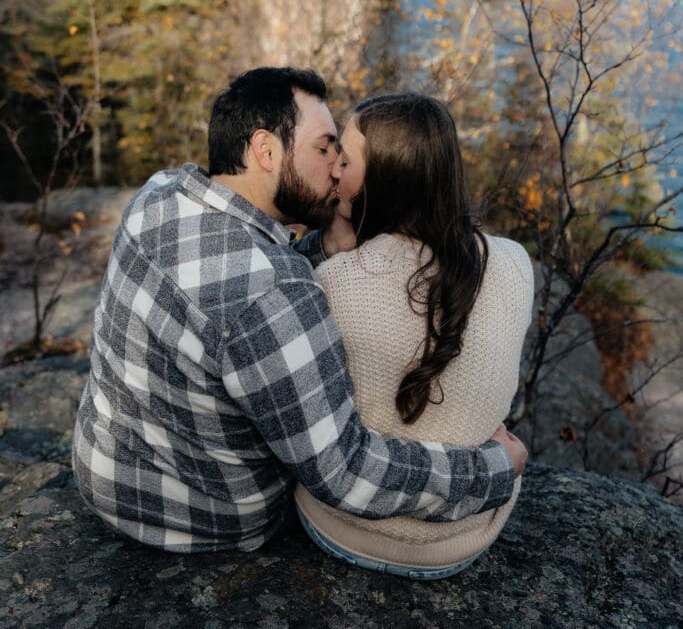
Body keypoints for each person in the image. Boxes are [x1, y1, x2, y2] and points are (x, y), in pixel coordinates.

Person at [72, 67, 527, 553]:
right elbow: (344, 472)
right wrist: (492, 468)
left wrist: (319, 248)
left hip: (104, 471)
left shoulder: (161, 194)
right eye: (324, 146)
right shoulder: (276, 294)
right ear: (266, 150)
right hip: (203, 515)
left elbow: (234, 290)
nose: (336, 168)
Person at [295, 93, 535, 579]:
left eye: (345, 158)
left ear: (385, 177)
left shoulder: (333, 283)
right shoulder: (514, 264)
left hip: (344, 529)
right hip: (466, 536)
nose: (334, 171)